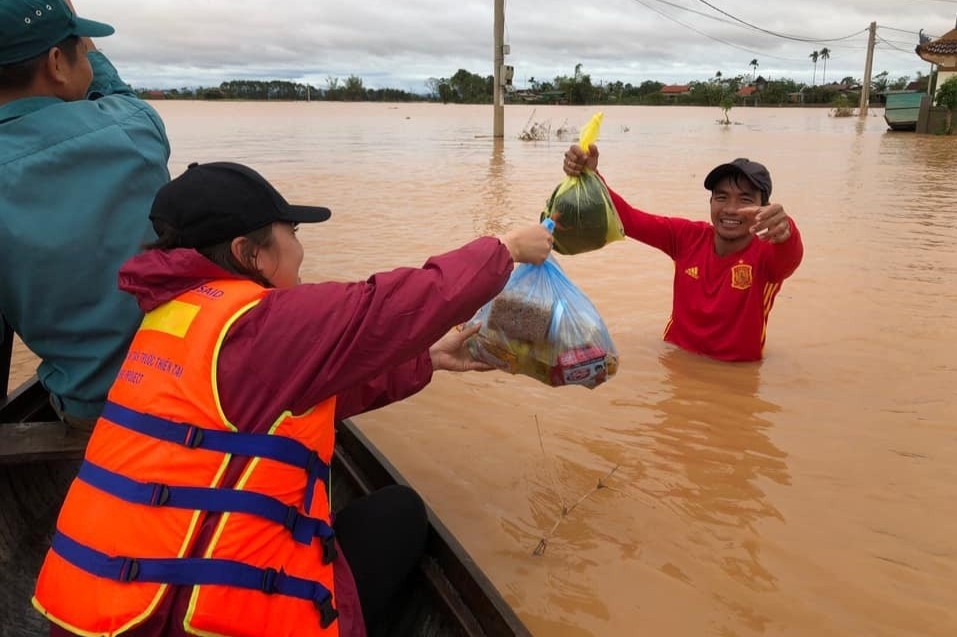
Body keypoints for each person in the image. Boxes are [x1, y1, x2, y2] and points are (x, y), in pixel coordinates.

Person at [32, 161, 554, 637]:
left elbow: (286, 402)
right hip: (188, 622)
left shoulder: (173, 319)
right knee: (398, 515)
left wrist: (429, 360)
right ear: (248, 253)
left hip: (106, 614)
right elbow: (392, 305)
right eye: (292, 233)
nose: (302, 249)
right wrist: (504, 250)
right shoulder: (261, 323)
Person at [0, 0, 171, 428]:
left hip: (89, 411)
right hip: (181, 388)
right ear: (57, 62)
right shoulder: (135, 127)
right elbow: (113, 90)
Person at [562, 145, 803, 361]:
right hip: (675, 359)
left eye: (745, 199)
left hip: (736, 373)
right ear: (710, 203)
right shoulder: (687, 237)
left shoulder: (768, 254)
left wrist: (787, 228)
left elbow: (790, 256)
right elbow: (628, 219)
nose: (730, 209)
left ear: (765, 208)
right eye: (721, 197)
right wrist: (591, 176)